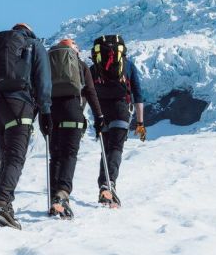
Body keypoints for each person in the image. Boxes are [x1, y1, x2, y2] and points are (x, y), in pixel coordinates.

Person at [0, 23, 52, 229]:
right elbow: (43, 80)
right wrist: (45, 110)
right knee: (15, 158)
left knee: (6, 160)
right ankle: (2, 204)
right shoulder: (33, 45)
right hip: (19, 106)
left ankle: (5, 206)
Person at [47, 38, 104, 219]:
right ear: (75, 52)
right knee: (69, 154)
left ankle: (53, 200)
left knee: (55, 157)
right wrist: (99, 116)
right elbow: (91, 92)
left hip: (52, 113)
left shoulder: (50, 66)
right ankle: (62, 194)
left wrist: (40, 116)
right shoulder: (81, 66)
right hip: (73, 113)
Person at [89, 34, 145, 208]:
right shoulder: (127, 65)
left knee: (106, 149)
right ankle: (110, 183)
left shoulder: (94, 68)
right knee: (116, 148)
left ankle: (103, 186)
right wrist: (140, 123)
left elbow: (87, 92)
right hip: (121, 109)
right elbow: (138, 94)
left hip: (101, 111)